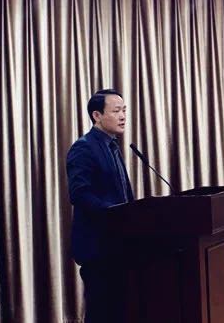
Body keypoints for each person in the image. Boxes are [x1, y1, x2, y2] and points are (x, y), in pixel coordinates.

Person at [66, 89, 134, 323]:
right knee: (101, 312)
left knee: (119, 311)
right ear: (97, 115)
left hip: (119, 244)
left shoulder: (111, 145)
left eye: (124, 110)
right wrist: (114, 214)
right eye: (116, 111)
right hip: (98, 247)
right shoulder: (84, 148)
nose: (122, 116)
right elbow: (79, 193)